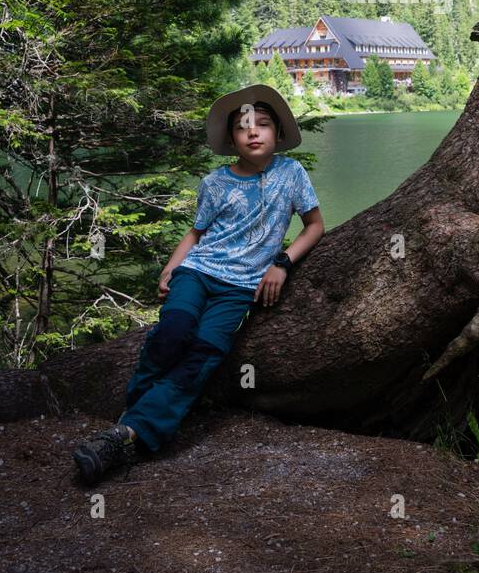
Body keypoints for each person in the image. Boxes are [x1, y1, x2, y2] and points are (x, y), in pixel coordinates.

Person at [72, 84, 324, 483]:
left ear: (277, 132)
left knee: (204, 353)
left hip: (241, 287)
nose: (253, 133)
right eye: (243, 128)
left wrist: (282, 262)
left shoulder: (291, 174)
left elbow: (315, 226)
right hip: (199, 271)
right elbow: (196, 234)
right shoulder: (216, 182)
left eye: (262, 125)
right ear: (231, 139)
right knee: (174, 328)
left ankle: (127, 433)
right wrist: (171, 269)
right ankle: (134, 411)